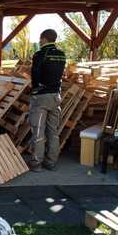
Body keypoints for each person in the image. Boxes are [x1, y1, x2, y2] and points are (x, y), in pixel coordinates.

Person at [29, 29, 66, 172]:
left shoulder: (39, 54)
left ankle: (36, 163)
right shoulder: (61, 55)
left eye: (40, 39)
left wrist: (34, 89)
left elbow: (35, 75)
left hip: (41, 97)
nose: (39, 42)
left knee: (38, 131)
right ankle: (51, 162)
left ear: (44, 39)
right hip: (56, 96)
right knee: (53, 131)